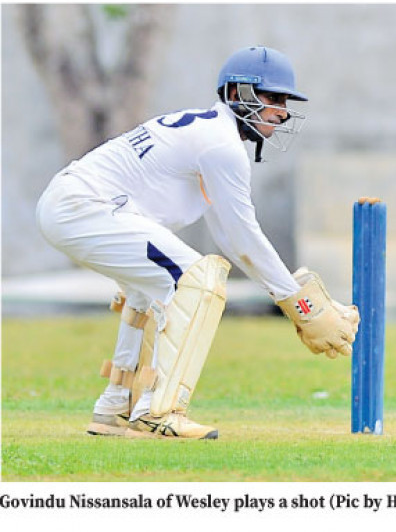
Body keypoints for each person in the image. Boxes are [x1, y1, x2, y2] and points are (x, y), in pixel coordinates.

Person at [36, 46, 360, 440]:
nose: (282, 111)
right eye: (273, 98)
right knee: (197, 282)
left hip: (75, 204)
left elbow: (227, 233)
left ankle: (116, 406)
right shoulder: (221, 145)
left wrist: (290, 296)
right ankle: (160, 411)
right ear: (239, 94)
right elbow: (242, 235)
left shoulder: (212, 134)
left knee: (152, 291)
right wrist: (299, 303)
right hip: (86, 206)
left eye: (285, 101)